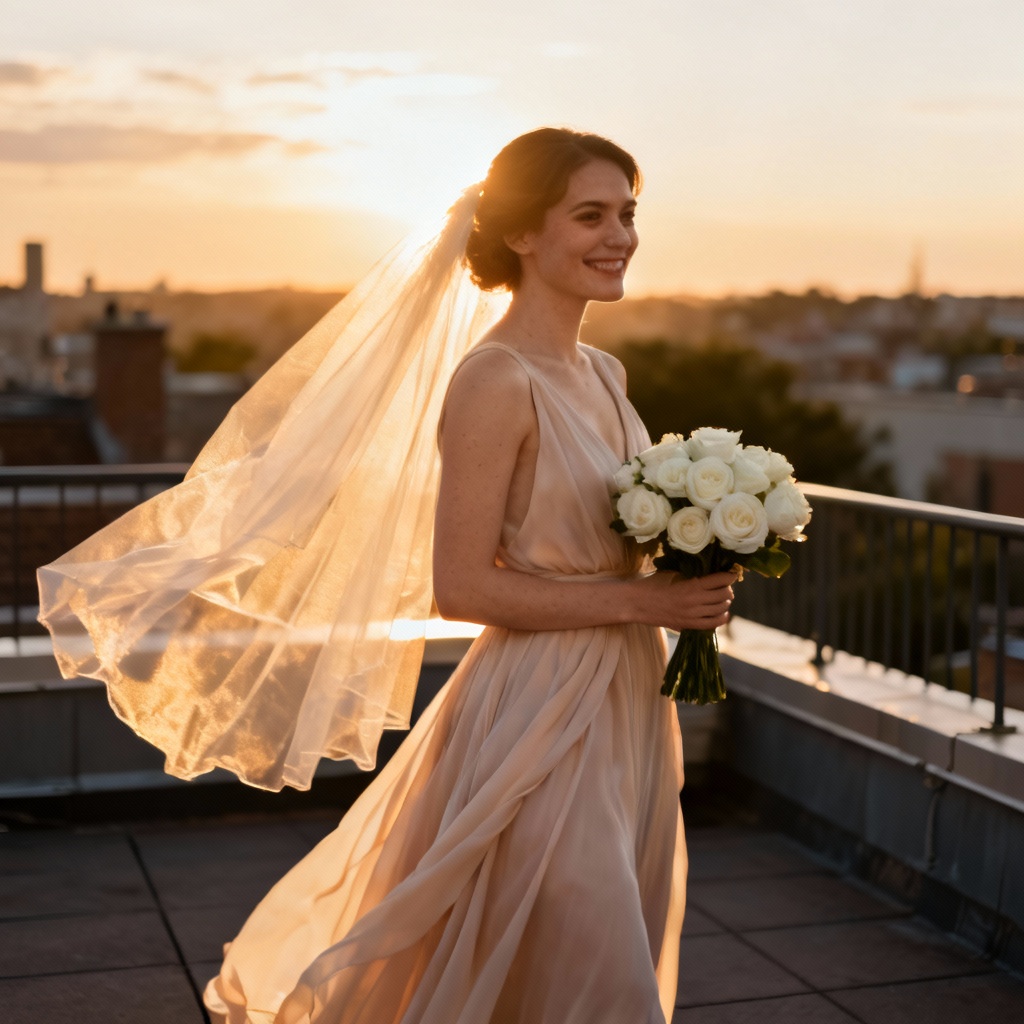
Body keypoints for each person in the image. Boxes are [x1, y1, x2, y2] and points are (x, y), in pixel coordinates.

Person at [38, 127, 736, 1023]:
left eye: (628, 214)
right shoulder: (495, 380)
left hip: (630, 700)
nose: (620, 237)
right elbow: (463, 588)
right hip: (538, 704)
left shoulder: (604, 372)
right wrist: (644, 600)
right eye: (590, 215)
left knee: (588, 937)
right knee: (585, 952)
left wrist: (700, 547)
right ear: (523, 233)